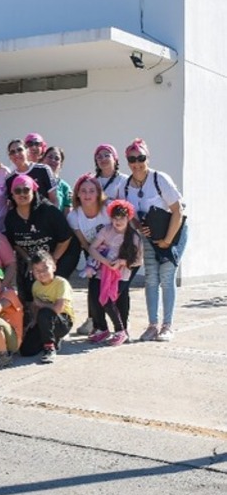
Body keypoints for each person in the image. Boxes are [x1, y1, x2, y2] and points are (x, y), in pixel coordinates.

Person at [123, 138, 187, 342]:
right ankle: (152, 325)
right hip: (150, 238)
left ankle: (167, 326)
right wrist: (138, 226)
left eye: (141, 157)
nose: (137, 163)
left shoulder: (160, 179)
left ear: (147, 158)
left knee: (167, 278)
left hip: (173, 235)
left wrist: (168, 240)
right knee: (151, 279)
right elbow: (130, 213)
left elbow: (178, 210)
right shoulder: (126, 186)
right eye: (132, 159)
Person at [4, 174, 73, 306]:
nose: (22, 194)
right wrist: (28, 260)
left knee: (53, 288)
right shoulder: (10, 218)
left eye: (26, 190)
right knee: (28, 290)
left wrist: (53, 259)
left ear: (33, 191)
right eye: (17, 191)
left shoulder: (48, 211)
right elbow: (14, 243)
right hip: (31, 258)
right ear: (12, 195)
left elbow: (65, 237)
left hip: (58, 254)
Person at [86, 200, 143, 346]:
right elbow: (92, 248)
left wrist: (121, 262)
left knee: (108, 300)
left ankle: (120, 330)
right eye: (115, 218)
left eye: (121, 218)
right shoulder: (106, 230)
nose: (118, 221)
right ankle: (102, 329)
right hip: (103, 271)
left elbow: (138, 261)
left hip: (121, 275)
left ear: (128, 218)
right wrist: (105, 262)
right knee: (94, 296)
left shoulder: (134, 237)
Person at [67, 174, 110, 337]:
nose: (87, 194)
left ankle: (121, 325)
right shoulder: (74, 216)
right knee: (94, 288)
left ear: (98, 193)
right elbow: (84, 242)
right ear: (77, 193)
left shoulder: (107, 209)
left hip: (114, 251)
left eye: (91, 190)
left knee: (114, 289)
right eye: (83, 190)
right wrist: (97, 258)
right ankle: (97, 324)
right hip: (93, 251)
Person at [19, 251, 75, 363]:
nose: (42, 273)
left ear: (54, 267)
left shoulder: (61, 283)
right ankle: (50, 340)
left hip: (62, 321)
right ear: (33, 272)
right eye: (37, 271)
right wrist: (33, 321)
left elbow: (57, 309)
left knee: (45, 312)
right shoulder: (36, 285)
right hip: (44, 321)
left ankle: (50, 348)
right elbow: (35, 307)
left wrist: (42, 304)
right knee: (26, 351)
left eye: (45, 269)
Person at [5, 139, 58, 205]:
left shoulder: (43, 170)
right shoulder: (9, 179)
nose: (16, 154)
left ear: (27, 151)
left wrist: (52, 215)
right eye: (12, 152)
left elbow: (54, 200)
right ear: (10, 157)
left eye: (19, 150)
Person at [42, 146, 72, 214]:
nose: (53, 160)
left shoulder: (65, 187)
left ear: (61, 164)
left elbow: (67, 214)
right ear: (43, 159)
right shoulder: (36, 181)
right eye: (50, 157)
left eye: (57, 158)